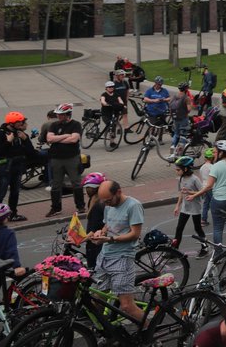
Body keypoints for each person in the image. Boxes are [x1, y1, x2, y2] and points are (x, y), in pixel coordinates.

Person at [88, 179, 145, 323]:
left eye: (108, 200)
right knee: (98, 298)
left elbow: (135, 234)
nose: (106, 204)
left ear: (118, 192)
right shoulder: (108, 206)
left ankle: (150, 330)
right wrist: (100, 233)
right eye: (104, 202)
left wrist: (111, 239)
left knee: (126, 306)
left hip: (122, 258)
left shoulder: (133, 206)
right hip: (105, 256)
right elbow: (108, 225)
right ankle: (105, 331)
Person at [188, 140, 226, 249]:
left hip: (219, 200)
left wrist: (194, 195)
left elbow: (209, 186)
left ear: (221, 153)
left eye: (215, 152)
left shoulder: (216, 166)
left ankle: (218, 254)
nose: (213, 154)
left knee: (218, 228)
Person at [0, 111, 33, 221]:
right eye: (20, 122)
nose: (23, 124)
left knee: (15, 192)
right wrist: (8, 141)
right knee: (1, 192)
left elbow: (30, 152)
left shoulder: (21, 134)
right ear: (12, 123)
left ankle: (13, 214)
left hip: (18, 167)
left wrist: (26, 139)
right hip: (5, 168)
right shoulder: (0, 134)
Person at [45, 104, 83, 217]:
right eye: (58, 114)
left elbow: (74, 139)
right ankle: (56, 208)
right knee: (56, 184)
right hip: (56, 158)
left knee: (76, 182)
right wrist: (66, 135)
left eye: (61, 114)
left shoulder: (76, 124)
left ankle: (80, 206)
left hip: (72, 158)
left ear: (68, 114)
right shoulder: (54, 125)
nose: (58, 116)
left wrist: (57, 139)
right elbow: (49, 138)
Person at [172, 156, 207, 255]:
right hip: (185, 207)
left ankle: (204, 248)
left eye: (178, 169)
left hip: (195, 207)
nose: (176, 171)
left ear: (186, 169)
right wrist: (177, 206)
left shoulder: (195, 179)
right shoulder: (180, 178)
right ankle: (174, 250)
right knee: (179, 228)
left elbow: (202, 192)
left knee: (198, 228)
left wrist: (190, 192)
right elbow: (181, 193)